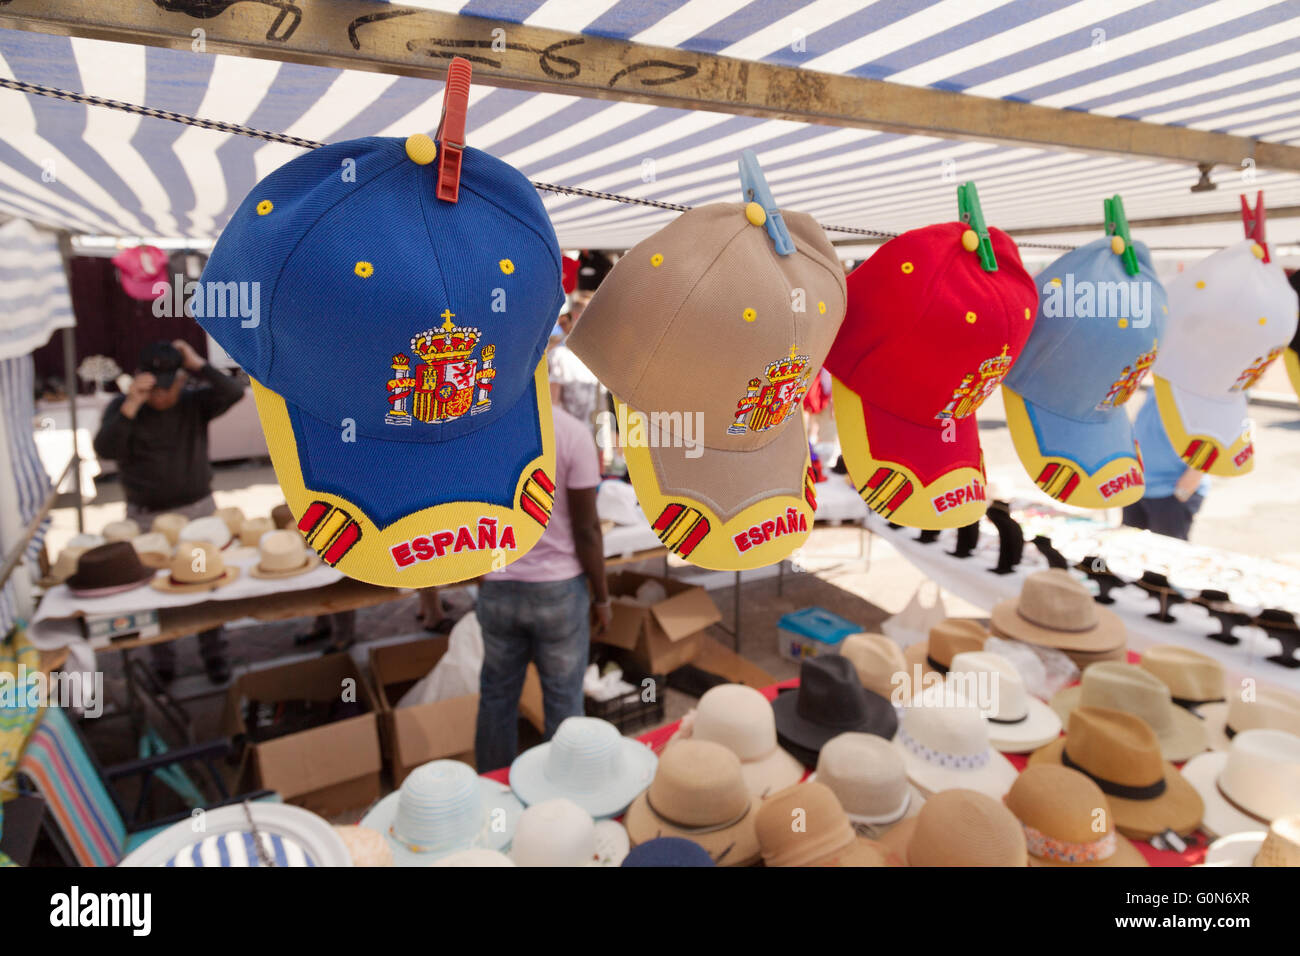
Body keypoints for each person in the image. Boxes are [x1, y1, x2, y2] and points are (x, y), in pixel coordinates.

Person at [93, 339, 246, 682]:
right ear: (140, 380)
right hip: (146, 518)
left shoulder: (194, 403)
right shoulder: (124, 406)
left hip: (197, 512)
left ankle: (215, 655)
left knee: (207, 583)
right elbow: (105, 448)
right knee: (154, 588)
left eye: (169, 387)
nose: (162, 396)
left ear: (180, 380)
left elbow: (234, 393)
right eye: (155, 390)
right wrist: (131, 404)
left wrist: (198, 364)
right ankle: (163, 661)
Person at [474, 404, 610, 771]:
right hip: (558, 591)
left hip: (499, 586)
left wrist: (480, 575)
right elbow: (587, 530)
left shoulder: (486, 429)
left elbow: (465, 510)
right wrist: (602, 598)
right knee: (564, 702)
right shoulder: (571, 433)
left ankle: (493, 787)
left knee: (497, 699)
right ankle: (564, 803)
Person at [1122, 396, 1210, 541]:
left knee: (1165, 555)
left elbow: (1216, 438)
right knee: (1130, 550)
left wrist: (1185, 489)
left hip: (1172, 491)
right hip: (1137, 485)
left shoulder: (1200, 387)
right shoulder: (1162, 379)